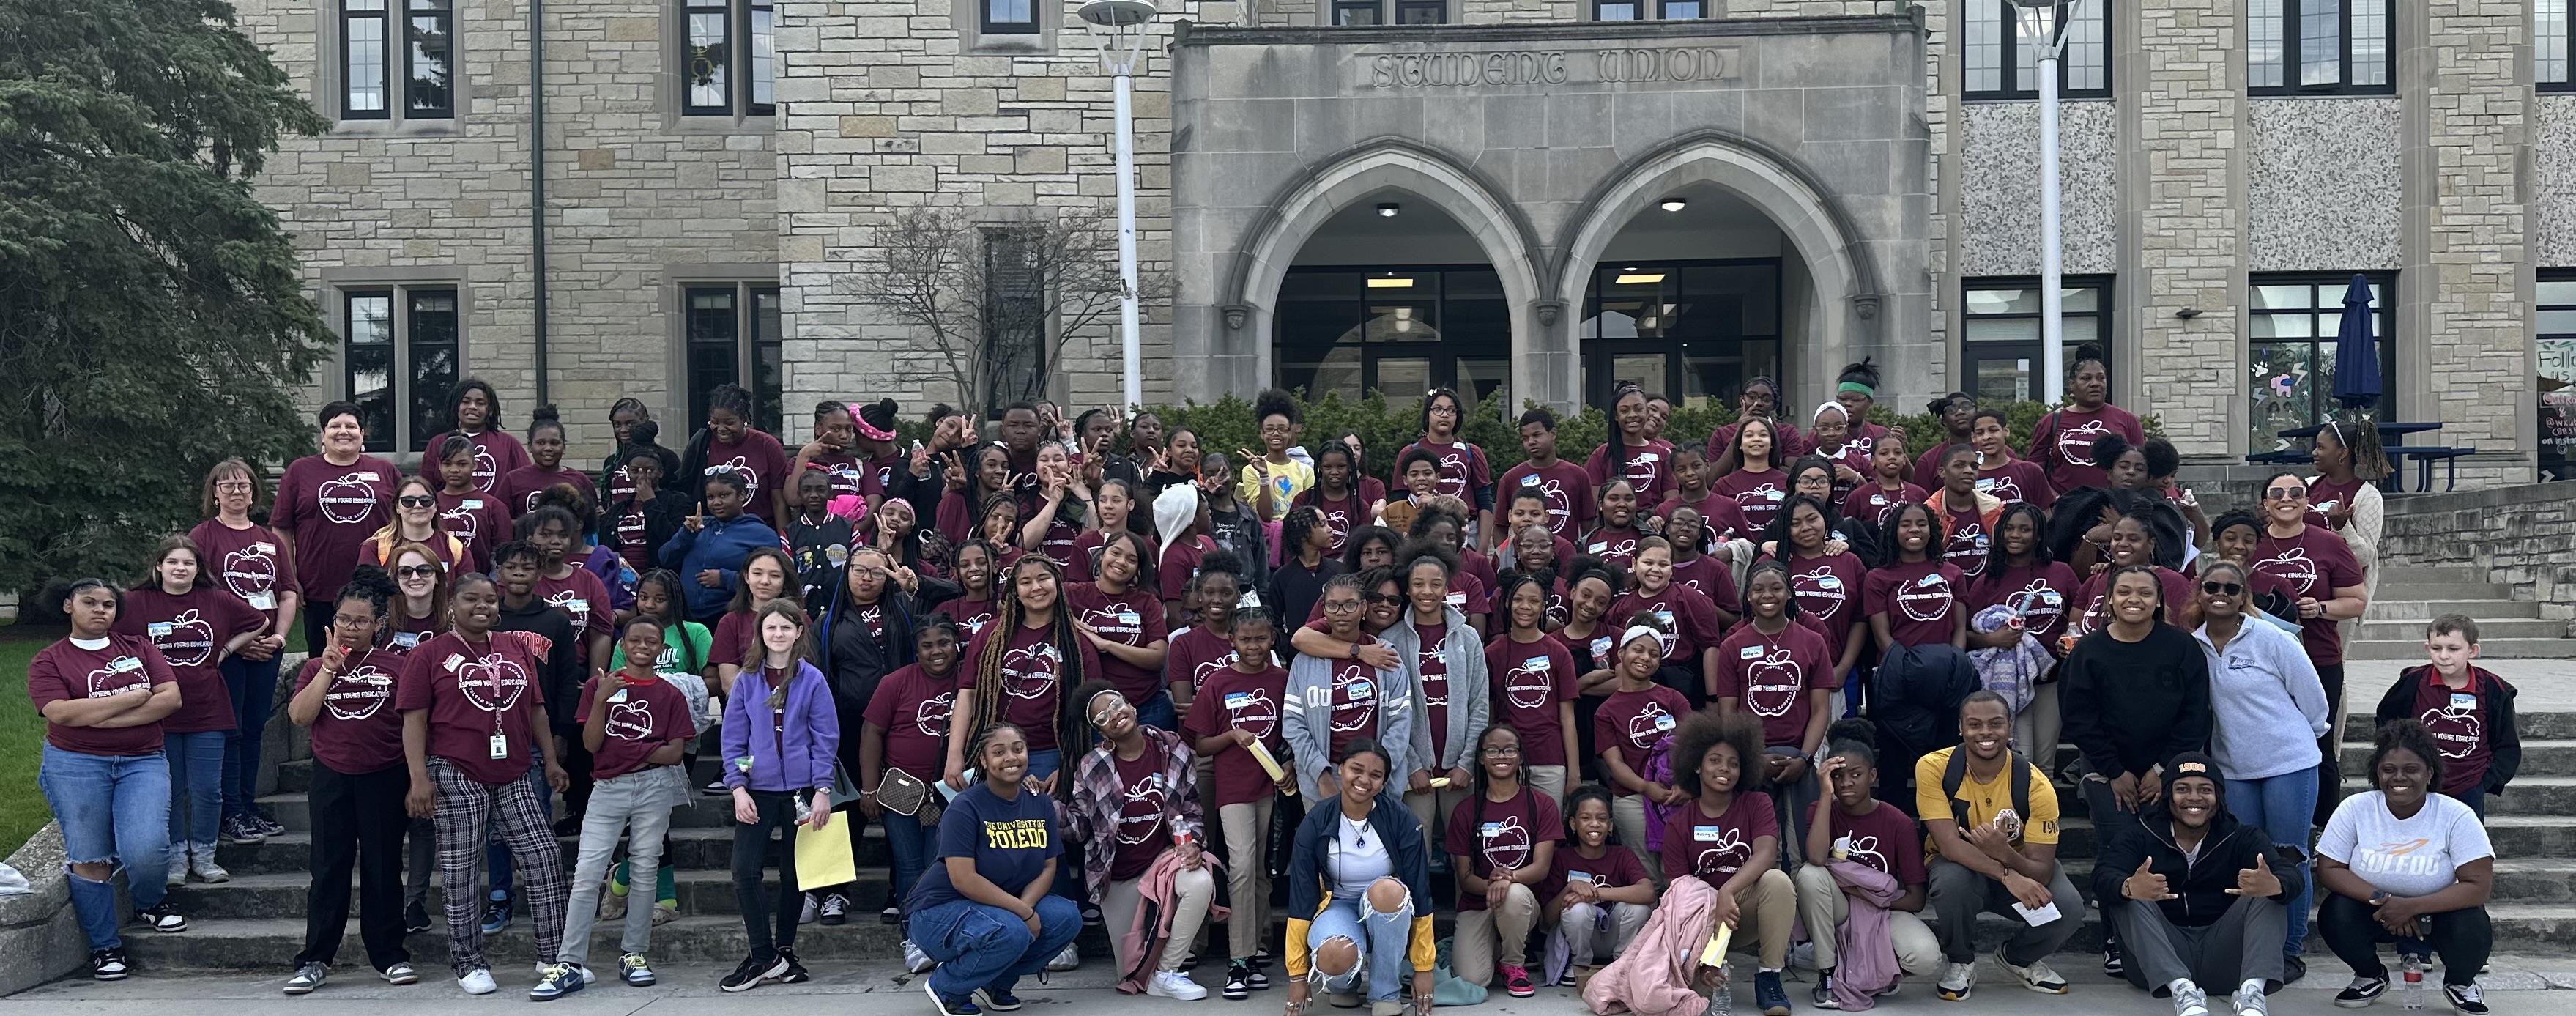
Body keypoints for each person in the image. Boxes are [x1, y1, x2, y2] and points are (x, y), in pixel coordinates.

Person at [397, 571, 570, 995]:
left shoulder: (515, 646)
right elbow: (414, 720)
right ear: (451, 605)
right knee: (462, 868)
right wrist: (418, 779)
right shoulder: (429, 654)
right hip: (455, 769)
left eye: (490, 600)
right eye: (472, 599)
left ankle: (554, 956)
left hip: (514, 769)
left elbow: (537, 709)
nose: (483, 607)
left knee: (544, 856)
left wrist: (550, 761)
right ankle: (469, 963)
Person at [31, 578, 189, 979]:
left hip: (142, 760)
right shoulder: (49, 660)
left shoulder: (139, 647)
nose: (100, 610)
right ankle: (105, 947)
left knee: (147, 846)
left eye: (108, 604)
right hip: (75, 764)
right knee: (90, 855)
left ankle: (150, 902)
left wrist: (101, 718)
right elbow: (61, 713)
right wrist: (133, 698)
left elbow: (170, 699)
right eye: (90, 602)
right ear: (68, 606)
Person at [534, 618, 698, 998]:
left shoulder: (670, 694)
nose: (642, 646)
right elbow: (592, 744)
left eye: (651, 641)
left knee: (645, 868)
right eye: (634, 639)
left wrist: (625, 750)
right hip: (608, 788)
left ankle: (634, 954)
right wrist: (601, 700)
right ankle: (570, 962)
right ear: (622, 645)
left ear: (662, 648)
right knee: (587, 872)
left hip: (656, 787)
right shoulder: (600, 686)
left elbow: (675, 754)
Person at [2061, 563, 2212, 976]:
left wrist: (2162, 769)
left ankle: (2166, 938)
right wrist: (2115, 771)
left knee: (2166, 850)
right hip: (2106, 772)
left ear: (2159, 600)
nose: (2134, 599)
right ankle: (2116, 940)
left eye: (2145, 592)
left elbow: (2195, 715)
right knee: (2118, 851)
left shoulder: (2182, 648)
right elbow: (2079, 719)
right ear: (2109, 600)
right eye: (2124, 591)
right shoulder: (2089, 652)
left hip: (2168, 770)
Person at [281, 567, 418, 993]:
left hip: (384, 776)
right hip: (332, 776)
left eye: (361, 621)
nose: (351, 628)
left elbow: (414, 725)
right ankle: (315, 959)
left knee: (383, 867)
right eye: (344, 619)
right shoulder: (314, 667)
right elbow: (300, 716)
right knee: (328, 869)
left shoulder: (398, 666)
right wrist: (328, 670)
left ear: (378, 624)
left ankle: (390, 955)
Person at [2090, 754, 2302, 1016]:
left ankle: (2252, 994)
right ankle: (2183, 991)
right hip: (2158, 962)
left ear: (2218, 797)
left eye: (2205, 790)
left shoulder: (2242, 836)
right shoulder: (2140, 834)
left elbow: (2291, 875)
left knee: (2268, 891)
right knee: (2130, 893)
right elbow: (2102, 876)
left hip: (2226, 959)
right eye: (2182, 789)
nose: (2194, 798)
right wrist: (2128, 887)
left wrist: (2276, 884)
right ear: (2168, 796)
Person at [2194, 560, 2330, 969]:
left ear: (2244, 597)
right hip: (2234, 769)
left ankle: (2289, 949)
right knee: (2247, 859)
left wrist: (2298, 740)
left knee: (2289, 857)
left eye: (2231, 589)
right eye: (2212, 587)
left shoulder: (2273, 638)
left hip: (2289, 763)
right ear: (2200, 593)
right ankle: (2255, 945)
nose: (2221, 594)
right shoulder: (2192, 645)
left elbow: (2314, 700)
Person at [2315, 720, 2494, 1015]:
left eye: (2411, 769)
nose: (2399, 777)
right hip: (2376, 911)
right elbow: (2329, 868)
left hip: (2438, 915)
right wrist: (2384, 900)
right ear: (2377, 773)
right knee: (2336, 911)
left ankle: (2461, 983)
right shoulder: (2355, 808)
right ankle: (2370, 975)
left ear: (2429, 773)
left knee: (2472, 922)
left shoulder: (2456, 815)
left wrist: (2411, 907)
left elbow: (2479, 886)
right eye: (2389, 769)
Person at [910, 724, 1086, 1016]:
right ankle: (948, 986)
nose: (1010, 758)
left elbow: (1048, 866)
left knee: (1066, 918)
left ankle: (996, 982)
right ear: (983, 760)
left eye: (1018, 749)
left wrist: (1025, 908)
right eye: (999, 752)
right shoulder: (965, 807)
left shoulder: (1040, 804)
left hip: (998, 907)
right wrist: (1023, 913)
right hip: (938, 911)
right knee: (1011, 931)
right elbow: (963, 879)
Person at [1915, 691, 2081, 1001]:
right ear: (1961, 728)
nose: (1985, 733)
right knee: (1951, 881)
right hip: (1961, 867)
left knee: (2069, 907)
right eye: (1974, 724)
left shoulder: (2036, 785)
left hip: (2018, 863)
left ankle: (2019, 958)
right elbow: (1949, 846)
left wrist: (2005, 854)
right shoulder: (1934, 767)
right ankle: (1961, 961)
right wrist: (2007, 875)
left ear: (2010, 727)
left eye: (1995, 724)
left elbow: (2042, 871)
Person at [118, 537, 261, 886]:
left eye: (188, 563)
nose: (180, 568)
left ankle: (205, 856)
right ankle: (176, 858)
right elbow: (109, 633)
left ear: (198, 569)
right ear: (159, 566)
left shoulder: (216, 600)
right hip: (158, 711)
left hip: (208, 709)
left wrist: (226, 650)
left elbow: (258, 621)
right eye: (173, 562)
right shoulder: (136, 602)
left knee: (208, 789)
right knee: (171, 790)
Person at [1063, 682, 1217, 1000]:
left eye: (1116, 705)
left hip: (1162, 863)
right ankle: (1153, 965)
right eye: (1103, 717)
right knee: (1131, 974)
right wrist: (1043, 806)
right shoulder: (1092, 765)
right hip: (1118, 874)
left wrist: (1192, 843)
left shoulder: (1172, 749)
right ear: (1101, 733)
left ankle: (1168, 972)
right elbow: (1079, 827)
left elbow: (1191, 807)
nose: (1114, 715)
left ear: (1131, 706)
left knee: (1199, 880)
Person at [717, 600, 839, 991]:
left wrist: (823, 789)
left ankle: (784, 952)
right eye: (771, 627)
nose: (778, 634)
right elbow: (734, 739)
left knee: (795, 873)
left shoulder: (812, 679)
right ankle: (762, 954)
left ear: (799, 632)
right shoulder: (747, 680)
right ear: (761, 633)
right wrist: (738, 787)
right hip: (758, 790)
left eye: (786, 627)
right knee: (744, 870)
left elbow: (825, 738)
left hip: (803, 792)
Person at [1184, 604, 1295, 997]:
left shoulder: (1284, 680)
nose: (1254, 646)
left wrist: (1290, 763)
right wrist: (1232, 735)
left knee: (1262, 871)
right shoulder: (1218, 683)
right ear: (1231, 641)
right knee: (1242, 867)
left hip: (1273, 787)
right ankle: (1239, 962)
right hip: (1233, 788)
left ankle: (1258, 949)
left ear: (1273, 639)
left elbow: (1294, 730)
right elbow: (1201, 744)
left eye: (1261, 639)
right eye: (1245, 639)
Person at [1283, 740, 1439, 1016]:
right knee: (1335, 955)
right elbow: (1301, 898)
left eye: (1375, 775)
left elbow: (1419, 891)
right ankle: (1343, 985)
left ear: (1384, 782)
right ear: (1341, 769)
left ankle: (1385, 992)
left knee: (1389, 891)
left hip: (1384, 907)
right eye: (1357, 769)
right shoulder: (1317, 820)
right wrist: (1297, 975)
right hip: (1336, 905)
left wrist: (1424, 967)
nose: (1365, 780)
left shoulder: (1400, 818)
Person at [190, 459, 301, 845]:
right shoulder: (203, 536)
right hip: (227, 653)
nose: (237, 492)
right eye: (228, 486)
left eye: (244, 486)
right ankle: (231, 812)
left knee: (254, 729)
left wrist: (280, 638)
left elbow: (287, 592)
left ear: (254, 493)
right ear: (215, 493)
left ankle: (248, 807)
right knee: (231, 731)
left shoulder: (269, 540)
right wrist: (238, 641)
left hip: (267, 650)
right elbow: (198, 596)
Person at [478, 540, 585, 935]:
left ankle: (547, 897)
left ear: (540, 574)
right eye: (511, 566)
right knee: (495, 824)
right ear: (499, 573)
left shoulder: (555, 620)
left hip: (537, 737)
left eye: (527, 566)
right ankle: (500, 896)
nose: (519, 573)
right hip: (491, 735)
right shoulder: (486, 617)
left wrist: (560, 734)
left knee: (535, 822)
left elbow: (567, 681)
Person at [1795, 720, 1940, 1008]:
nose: (1846, 783)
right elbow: (1816, 859)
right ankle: (1827, 974)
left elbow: (1916, 899)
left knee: (1926, 957)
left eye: (1856, 774)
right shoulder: (1821, 809)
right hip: (1838, 910)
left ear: (1872, 776)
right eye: (1837, 776)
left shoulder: (1898, 822)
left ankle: (1880, 974)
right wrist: (1824, 796)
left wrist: (1865, 894)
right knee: (1810, 875)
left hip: (1883, 911)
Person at [1662, 711, 1797, 1016]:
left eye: (1734, 763)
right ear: (1696, 765)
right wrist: (1706, 944)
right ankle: (1708, 962)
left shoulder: (1757, 803)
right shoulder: (1679, 824)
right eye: (1715, 760)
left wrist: (1728, 891)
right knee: (1691, 999)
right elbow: (1679, 895)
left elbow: (1766, 854)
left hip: (1741, 911)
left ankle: (1769, 978)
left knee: (1777, 881)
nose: (1725, 768)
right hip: (1701, 921)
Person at [2250, 471, 2369, 818]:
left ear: (2307, 501)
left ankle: (2325, 825)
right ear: (2265, 503)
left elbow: (2357, 600)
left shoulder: (2330, 543)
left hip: (2318, 657)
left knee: (2320, 742)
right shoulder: (2250, 542)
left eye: (2295, 492)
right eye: (2277, 493)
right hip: (2261, 662)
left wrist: (2321, 608)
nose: (2286, 499)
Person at [947, 555, 1104, 796]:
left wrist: (1071, 764)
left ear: (1058, 584)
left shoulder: (1077, 643)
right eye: (1026, 582)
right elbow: (968, 694)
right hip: (996, 751)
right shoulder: (991, 635)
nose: (1036, 587)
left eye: (1043, 578)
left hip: (1052, 754)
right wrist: (955, 754)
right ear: (1015, 592)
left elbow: (1093, 711)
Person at [860, 615, 964, 968]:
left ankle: (939, 934)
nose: (937, 651)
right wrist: (869, 788)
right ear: (916, 650)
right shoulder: (896, 682)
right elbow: (871, 733)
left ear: (957, 644)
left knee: (938, 865)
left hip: (950, 792)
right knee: (907, 866)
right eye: (927, 645)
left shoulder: (970, 682)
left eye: (944, 643)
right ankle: (913, 938)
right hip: (901, 790)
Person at [1716, 560, 1834, 853]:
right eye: (1758, 589)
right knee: (1759, 846)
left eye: (1776, 588)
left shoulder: (1813, 641)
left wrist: (1805, 758)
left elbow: (1821, 709)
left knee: (1802, 845)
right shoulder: (1732, 645)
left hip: (1800, 757)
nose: (1767, 595)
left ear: (1790, 593)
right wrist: (1752, 759)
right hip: (1753, 757)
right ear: (1748, 597)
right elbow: (1728, 712)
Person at [278, 401, 402, 653]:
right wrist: (290, 578)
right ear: (323, 435)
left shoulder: (385, 470)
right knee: (324, 658)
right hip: (318, 585)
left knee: (378, 659)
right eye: (335, 426)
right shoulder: (300, 471)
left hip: (377, 583)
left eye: (351, 426)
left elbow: (404, 520)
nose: (343, 431)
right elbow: (282, 528)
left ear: (362, 434)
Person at [1447, 725, 1560, 997]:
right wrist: (1492, 885)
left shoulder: (1542, 804)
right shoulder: (1466, 810)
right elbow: (1465, 878)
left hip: (1521, 903)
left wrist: (1508, 879)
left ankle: (1513, 964)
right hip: (1478, 904)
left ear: (1520, 757)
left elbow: (1542, 868)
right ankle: (1495, 949)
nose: (1502, 756)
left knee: (1514, 894)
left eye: (1510, 750)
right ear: (1481, 758)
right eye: (1493, 750)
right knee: (1473, 980)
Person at [1284, 574, 1415, 801]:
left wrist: (1376, 772)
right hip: (1322, 781)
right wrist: (1321, 776)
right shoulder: (1305, 662)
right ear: (1324, 610)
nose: (1341, 612)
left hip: (1377, 780)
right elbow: (1293, 724)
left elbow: (1400, 722)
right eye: (1333, 605)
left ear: (1364, 607)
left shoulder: (1386, 655)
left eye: (1350, 605)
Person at [2375, 615, 2520, 817]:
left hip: (2469, 785)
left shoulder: (2493, 688)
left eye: (2453, 649)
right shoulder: (2412, 682)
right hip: (2418, 783)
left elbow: (2507, 742)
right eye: (2437, 648)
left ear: (2473, 651)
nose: (2443, 656)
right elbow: (2387, 725)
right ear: (2428, 648)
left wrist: (2486, 781)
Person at [1965, 503, 2077, 757]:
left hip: (2052, 677)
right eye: (2009, 528)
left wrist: (2069, 637)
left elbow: (2079, 616)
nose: (2015, 535)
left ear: (2038, 535)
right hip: (2009, 681)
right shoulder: (1988, 580)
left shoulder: (2062, 572)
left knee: (2046, 761)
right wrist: (1993, 638)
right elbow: (1964, 636)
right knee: (2020, 756)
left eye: (2025, 529)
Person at [1592, 619, 1692, 878]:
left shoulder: (1674, 698)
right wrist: (1646, 787)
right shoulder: (1606, 712)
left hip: (1676, 792)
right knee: (1646, 873)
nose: (1646, 658)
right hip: (1633, 795)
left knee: (1677, 870)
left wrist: (1685, 784)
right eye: (1638, 650)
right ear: (1621, 653)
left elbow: (1694, 747)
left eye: (1654, 654)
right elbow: (1615, 764)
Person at [1486, 573, 1579, 806]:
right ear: (1507, 603)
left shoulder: (1559, 653)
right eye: (1518, 600)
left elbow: (1567, 717)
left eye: (1534, 601)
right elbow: (1488, 714)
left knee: (1548, 824)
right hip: (1504, 759)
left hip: (1549, 759)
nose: (1525, 606)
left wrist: (1574, 773)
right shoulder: (1492, 654)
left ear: (1544, 606)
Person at [1066, 530, 1175, 729]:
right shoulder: (1074, 594)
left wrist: (1106, 644)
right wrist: (1068, 618)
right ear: (1101, 555)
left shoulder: (1148, 602)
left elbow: (1157, 658)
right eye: (1115, 553)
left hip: (1148, 705)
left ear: (1138, 569)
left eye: (1131, 560)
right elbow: (1020, 600)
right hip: (1098, 710)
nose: (1121, 562)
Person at [1545, 785, 1655, 974]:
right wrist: (1570, 888)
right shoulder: (1562, 858)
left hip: (1615, 935)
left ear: (1610, 825)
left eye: (1602, 819)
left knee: (1639, 909)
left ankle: (1622, 965)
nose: (1595, 824)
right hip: (1580, 939)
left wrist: (1594, 893)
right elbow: (1547, 919)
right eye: (1586, 818)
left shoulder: (1622, 855)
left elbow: (1648, 892)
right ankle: (1580, 966)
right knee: (1578, 909)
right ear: (1573, 824)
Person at [1770, 496, 1869, 705]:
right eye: (1795, 523)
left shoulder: (1850, 562)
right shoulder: (1773, 562)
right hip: (1783, 673)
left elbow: (1859, 620)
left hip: (1838, 672)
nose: (1805, 528)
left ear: (1825, 519)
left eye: (1812, 519)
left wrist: (1843, 668)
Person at [658, 469, 784, 625]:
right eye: (711, 497)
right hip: (685, 617)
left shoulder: (762, 534)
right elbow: (665, 558)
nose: (716, 502)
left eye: (724, 495)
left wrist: (725, 579)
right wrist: (687, 534)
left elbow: (771, 582)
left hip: (730, 618)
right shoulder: (699, 526)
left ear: (742, 495)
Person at [2027, 346, 2144, 491]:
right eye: (2086, 378)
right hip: (2064, 503)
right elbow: (2035, 472)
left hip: (2112, 503)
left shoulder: (2128, 420)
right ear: (2072, 384)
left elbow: (2141, 467)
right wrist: (2053, 499)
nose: (2095, 383)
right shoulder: (2051, 422)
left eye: (2101, 378)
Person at [678, 383, 794, 528]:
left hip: (760, 531)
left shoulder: (768, 445)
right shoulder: (702, 444)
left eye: (729, 423)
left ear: (744, 419)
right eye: (714, 422)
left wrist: (783, 539)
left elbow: (779, 501)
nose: (721, 429)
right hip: (716, 531)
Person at [2307, 418, 2389, 613]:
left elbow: (2364, 556)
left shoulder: (2367, 496)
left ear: (2342, 453)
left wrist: (2342, 526)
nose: (2314, 453)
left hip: (2341, 597)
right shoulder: (2309, 485)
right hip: (2303, 585)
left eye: (2321, 448)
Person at [1499, 407, 1597, 546]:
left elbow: (1589, 525)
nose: (1531, 442)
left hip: (1567, 556)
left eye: (1537, 435)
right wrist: (1507, 555)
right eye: (1525, 438)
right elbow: (1500, 527)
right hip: (1525, 557)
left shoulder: (1578, 475)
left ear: (1553, 434)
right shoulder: (1510, 478)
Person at [417, 378, 530, 493]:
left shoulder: (509, 444)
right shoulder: (438, 443)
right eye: (465, 402)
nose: (472, 407)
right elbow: (426, 489)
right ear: (456, 406)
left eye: (480, 403)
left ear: (490, 410)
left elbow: (525, 483)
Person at [601, 428, 690, 574]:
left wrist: (650, 501)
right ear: (628, 474)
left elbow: (674, 540)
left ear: (661, 472)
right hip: (622, 579)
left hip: (658, 577)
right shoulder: (618, 510)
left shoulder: (677, 502)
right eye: (635, 471)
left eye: (649, 470)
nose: (642, 476)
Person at [428, 436, 511, 571]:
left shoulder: (494, 506)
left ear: (475, 465)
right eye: (447, 464)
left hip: (480, 580)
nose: (454, 470)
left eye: (462, 464)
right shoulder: (428, 504)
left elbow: (503, 556)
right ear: (439, 466)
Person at [1923, 444, 2003, 580]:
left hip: (1989, 587)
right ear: (1942, 472)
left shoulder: (1995, 508)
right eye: (1959, 465)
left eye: (1974, 467)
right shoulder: (1928, 512)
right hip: (1945, 588)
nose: (1969, 471)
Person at [1586, 384, 1674, 509]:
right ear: (1616, 416)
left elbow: (1672, 499)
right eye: (1624, 410)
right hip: (1614, 520)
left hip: (1652, 520)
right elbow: (1594, 502)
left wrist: (1658, 516)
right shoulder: (1601, 454)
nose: (1632, 415)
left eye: (1638, 409)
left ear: (1646, 412)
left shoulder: (1663, 454)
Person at [501, 407, 597, 517]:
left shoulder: (581, 481)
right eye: (541, 443)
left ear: (564, 447)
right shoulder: (513, 480)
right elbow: (502, 520)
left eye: (554, 443)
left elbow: (592, 521)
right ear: (530, 446)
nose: (548, 448)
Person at [1711, 417, 1792, 534]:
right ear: (1739, 444)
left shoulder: (1788, 482)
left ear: (1772, 443)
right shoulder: (1723, 485)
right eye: (1749, 435)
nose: (1756, 439)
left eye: (1763, 435)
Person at [1297, 440, 1378, 556]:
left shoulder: (1360, 506)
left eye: (1341, 466)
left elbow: (1366, 546)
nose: (1334, 472)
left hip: (1348, 566)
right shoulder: (1304, 500)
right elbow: (1293, 542)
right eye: (1328, 467)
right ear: (1320, 468)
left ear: (1350, 467)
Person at [1967, 408, 2055, 510]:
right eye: (1980, 433)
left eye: (1993, 430)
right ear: (1973, 437)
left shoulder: (2031, 471)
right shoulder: (1970, 477)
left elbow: (2046, 513)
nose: (1986, 437)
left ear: (2006, 431)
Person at [1843, 434, 1925, 530]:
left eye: (1898, 453)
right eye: (1884, 453)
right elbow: (1845, 532)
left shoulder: (1919, 494)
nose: (1892, 457)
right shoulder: (1858, 497)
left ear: (1904, 460)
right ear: (1872, 461)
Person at [1909, 393, 1976, 486]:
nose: (1960, 412)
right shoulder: (1927, 461)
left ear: (1977, 414)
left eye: (1966, 407)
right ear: (1944, 421)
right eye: (1951, 410)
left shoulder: (1993, 450)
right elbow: (1922, 495)